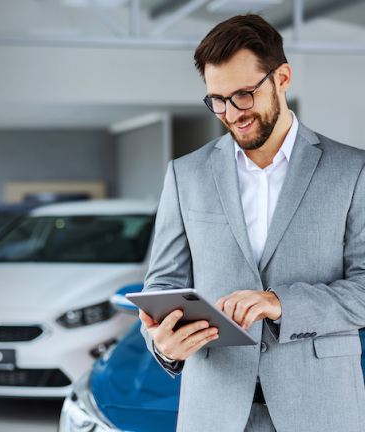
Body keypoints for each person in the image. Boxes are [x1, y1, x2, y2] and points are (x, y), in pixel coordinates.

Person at [139, 14, 365, 432]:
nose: (231, 113)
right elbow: (162, 286)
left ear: (281, 78)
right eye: (217, 100)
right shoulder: (185, 175)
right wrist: (165, 345)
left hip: (321, 408)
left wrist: (280, 303)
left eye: (243, 95)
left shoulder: (353, 170)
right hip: (214, 410)